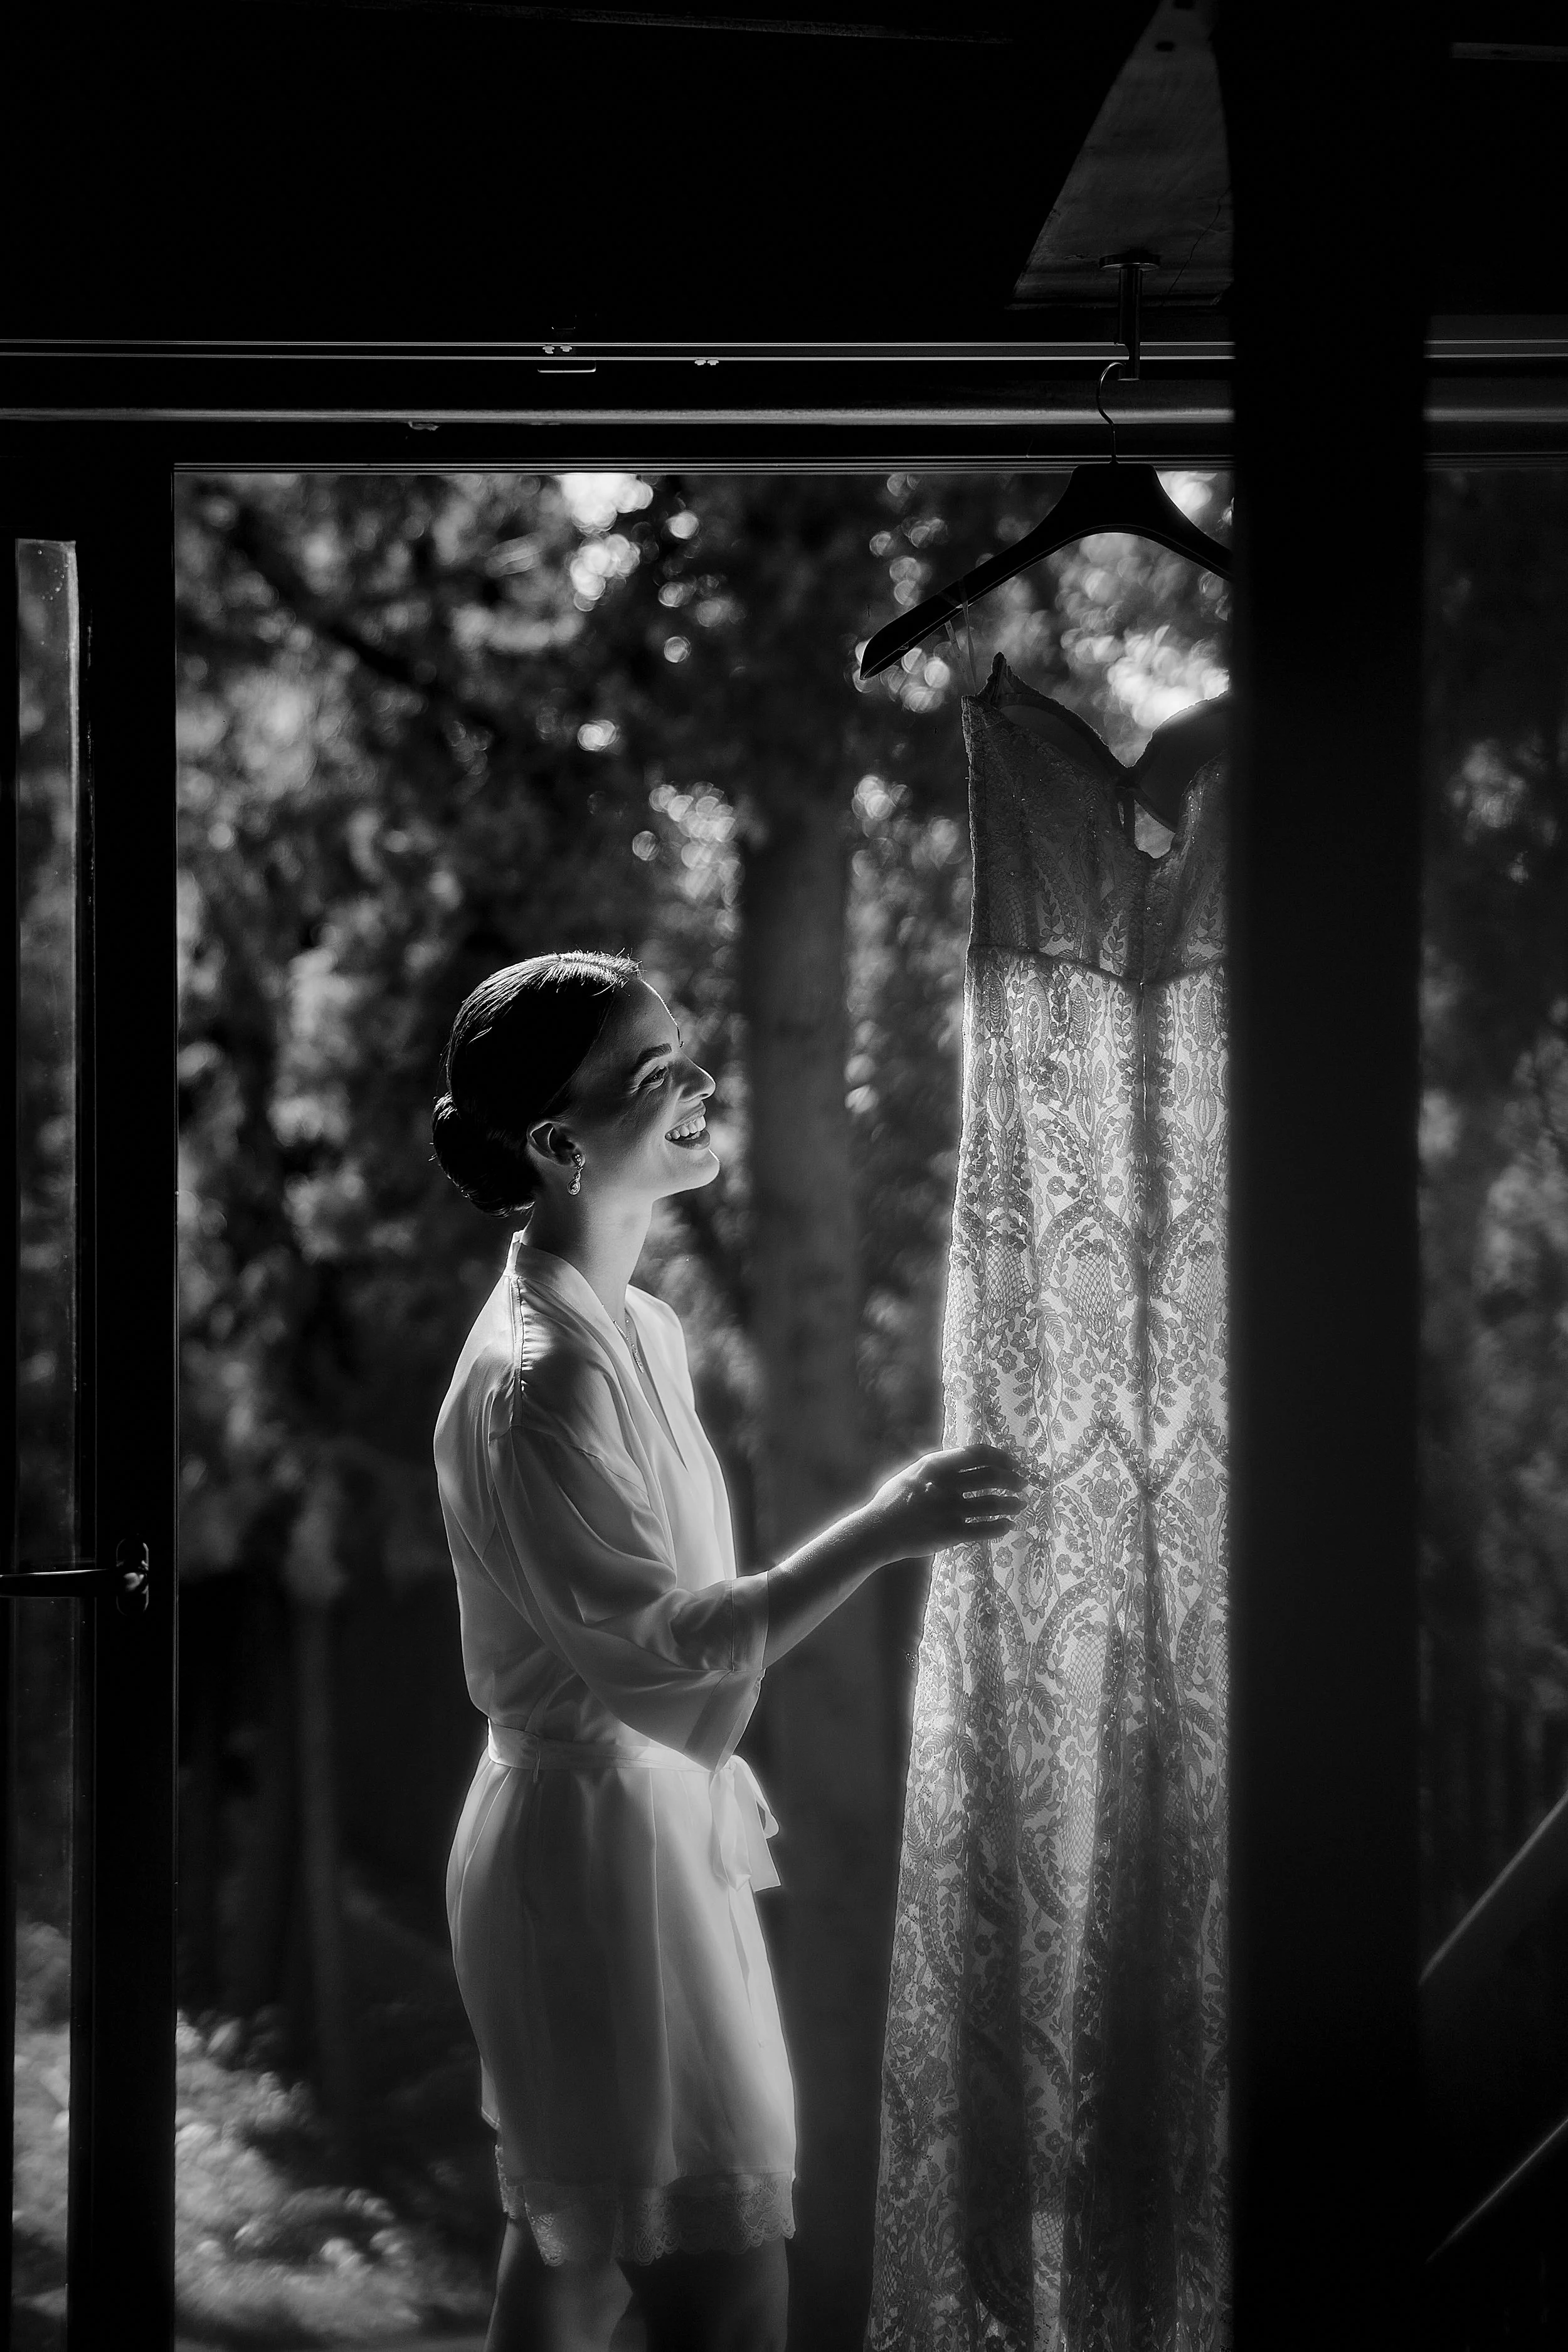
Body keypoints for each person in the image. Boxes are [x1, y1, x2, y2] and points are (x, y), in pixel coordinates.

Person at [430, 950, 1027, 2352]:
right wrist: (885, 1527)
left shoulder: (632, 1325)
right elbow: (668, 1646)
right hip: (585, 1871)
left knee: (579, 2251)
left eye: (689, 1055)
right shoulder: (543, 1380)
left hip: (639, 1837)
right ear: (558, 1145)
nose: (700, 1087)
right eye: (657, 1076)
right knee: (716, 2274)